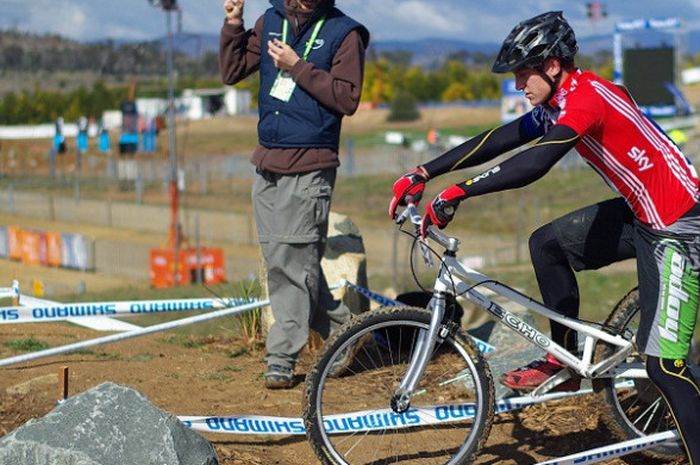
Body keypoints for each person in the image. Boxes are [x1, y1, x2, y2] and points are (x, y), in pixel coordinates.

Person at [389, 11, 699, 462]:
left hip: (677, 227)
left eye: (523, 74)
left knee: (664, 368)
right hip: (641, 214)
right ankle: (566, 363)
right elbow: (506, 137)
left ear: (552, 65)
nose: (518, 86)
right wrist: (425, 171)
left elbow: (536, 162)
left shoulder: (587, 99)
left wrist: (460, 191)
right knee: (546, 244)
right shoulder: (561, 100)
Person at [219, 0, 370, 389]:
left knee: (292, 261)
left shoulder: (345, 33)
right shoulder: (270, 21)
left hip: (311, 163)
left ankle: (281, 357)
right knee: (283, 261)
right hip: (267, 159)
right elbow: (232, 71)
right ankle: (346, 330)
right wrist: (233, 23)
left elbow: (347, 99)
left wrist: (297, 67)